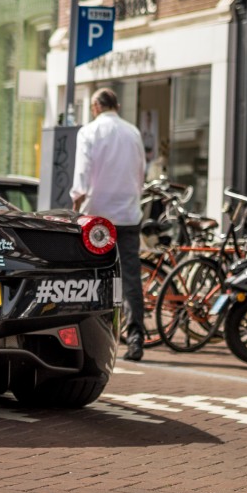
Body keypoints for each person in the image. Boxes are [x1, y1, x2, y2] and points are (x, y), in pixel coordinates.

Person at [71, 88, 147, 361]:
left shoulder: (89, 132)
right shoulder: (134, 132)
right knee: (130, 278)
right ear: (116, 105)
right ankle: (136, 340)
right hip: (127, 214)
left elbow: (82, 173)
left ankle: (87, 335)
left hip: (98, 216)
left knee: (88, 274)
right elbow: (140, 173)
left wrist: (75, 203)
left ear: (95, 107)